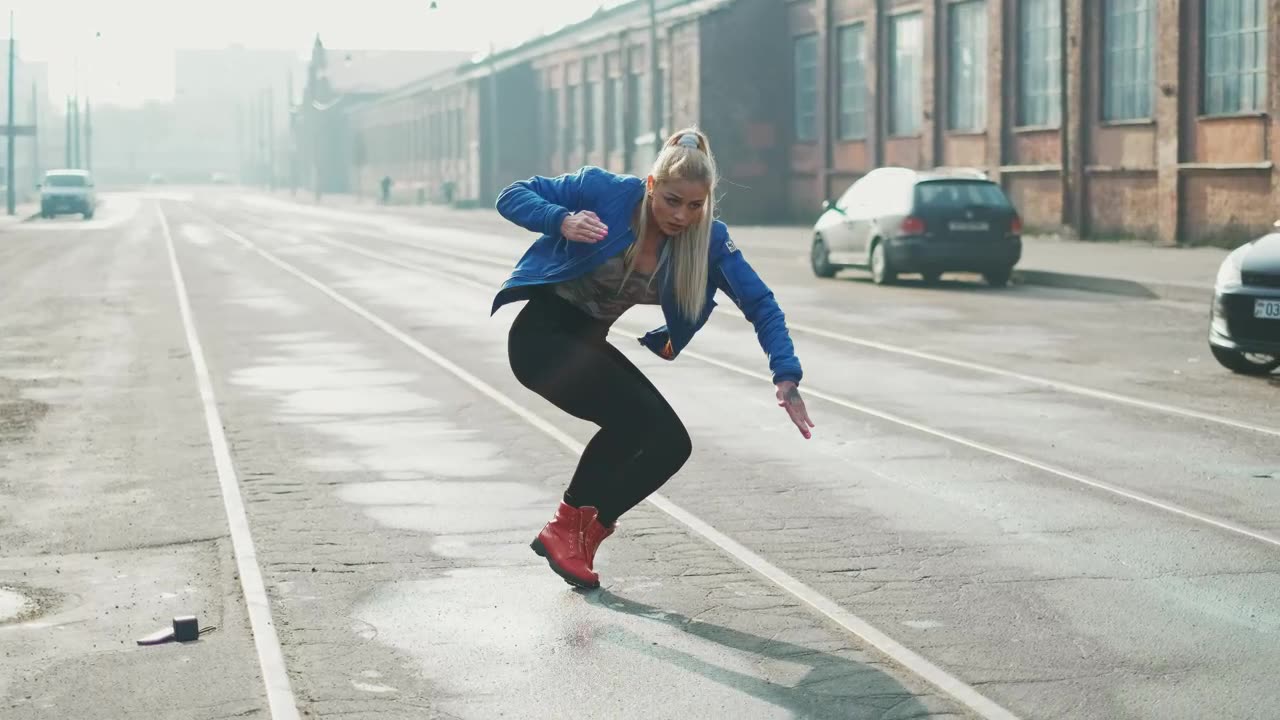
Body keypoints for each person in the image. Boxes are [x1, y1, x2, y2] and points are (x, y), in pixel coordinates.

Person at [491, 127, 814, 590]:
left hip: (584, 343)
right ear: (650, 186)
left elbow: (761, 304)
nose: (681, 215)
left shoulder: (709, 244)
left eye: (695, 205)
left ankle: (581, 533)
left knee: (670, 444)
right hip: (541, 339)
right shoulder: (605, 191)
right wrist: (559, 220)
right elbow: (513, 195)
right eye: (671, 200)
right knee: (635, 422)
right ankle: (566, 528)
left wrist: (786, 376)